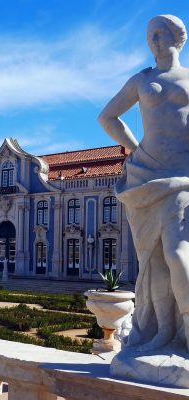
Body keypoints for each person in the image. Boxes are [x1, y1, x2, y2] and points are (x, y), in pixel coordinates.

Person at [98, 14, 189, 352]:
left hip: (181, 177)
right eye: (150, 35)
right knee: (153, 261)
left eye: (160, 33)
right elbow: (107, 117)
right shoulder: (141, 80)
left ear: (178, 38)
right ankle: (164, 330)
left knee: (178, 253)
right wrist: (136, 149)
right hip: (146, 174)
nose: (154, 40)